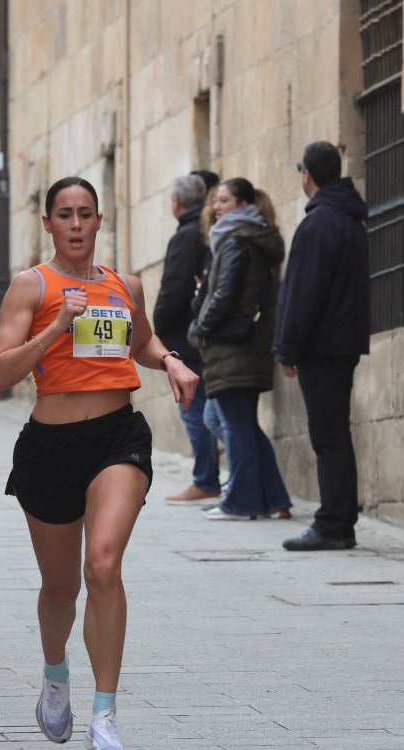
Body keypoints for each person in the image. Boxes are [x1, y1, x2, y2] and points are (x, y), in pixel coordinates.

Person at [0, 177, 198, 750]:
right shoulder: (31, 286)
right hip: (50, 445)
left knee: (103, 564)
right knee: (61, 588)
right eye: (65, 215)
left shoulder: (123, 285)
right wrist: (54, 328)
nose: (76, 224)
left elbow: (143, 342)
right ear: (49, 224)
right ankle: (56, 676)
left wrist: (172, 364)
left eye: (85, 214)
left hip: (116, 437)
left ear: (100, 221)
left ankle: (105, 713)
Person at [274, 141, 369, 551]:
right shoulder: (348, 220)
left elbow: (303, 294)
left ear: (307, 175)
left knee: (328, 436)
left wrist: (288, 349)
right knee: (336, 434)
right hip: (342, 342)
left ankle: (333, 523)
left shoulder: (318, 224)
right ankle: (341, 519)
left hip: (322, 347)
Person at [188, 177, 292, 522]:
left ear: (244, 206)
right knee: (239, 422)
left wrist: (200, 328)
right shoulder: (245, 239)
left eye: (224, 201)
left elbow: (224, 294)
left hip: (233, 345)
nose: (216, 208)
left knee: (234, 423)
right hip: (245, 344)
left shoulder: (236, 243)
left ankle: (243, 501)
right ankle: (274, 497)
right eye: (216, 202)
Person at [153, 173, 217, 505]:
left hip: (185, 336)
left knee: (192, 405)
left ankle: (205, 479)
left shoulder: (185, 237)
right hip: (204, 334)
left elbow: (174, 288)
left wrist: (158, 327)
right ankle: (209, 477)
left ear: (176, 203)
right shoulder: (205, 232)